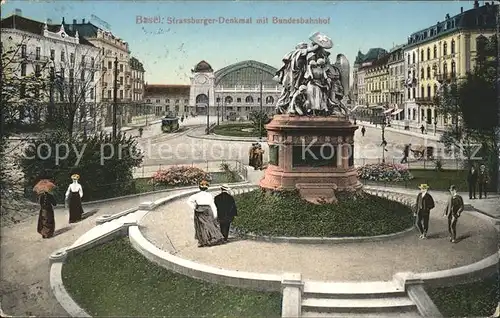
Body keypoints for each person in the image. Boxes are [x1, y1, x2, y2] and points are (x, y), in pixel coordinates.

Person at [186, 180, 224, 247]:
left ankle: (202, 241)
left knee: (201, 226)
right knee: (209, 224)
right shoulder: (209, 195)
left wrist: (194, 207)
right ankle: (210, 239)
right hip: (207, 210)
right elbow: (212, 204)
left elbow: (189, 201)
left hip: (199, 210)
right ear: (207, 188)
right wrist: (215, 213)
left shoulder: (196, 195)